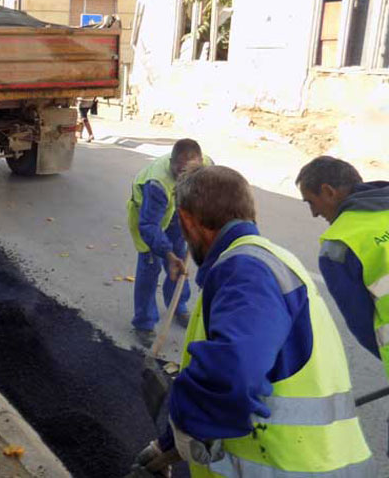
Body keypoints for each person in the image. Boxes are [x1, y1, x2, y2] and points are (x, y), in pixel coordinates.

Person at [134, 165, 373, 477]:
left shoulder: (245, 271)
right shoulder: (265, 260)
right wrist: (165, 446)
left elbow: (232, 373)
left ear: (186, 220)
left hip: (290, 468)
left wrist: (184, 423)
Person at [296, 156, 389, 376]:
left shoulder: (338, 246)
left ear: (328, 191)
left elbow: (362, 325)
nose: (314, 213)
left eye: (311, 201)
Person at [127, 139, 211, 347]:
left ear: (200, 162)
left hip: (178, 211)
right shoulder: (157, 183)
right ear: (171, 161)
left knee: (180, 261)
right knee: (150, 266)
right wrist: (167, 253)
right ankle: (144, 323)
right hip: (149, 216)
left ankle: (178, 306)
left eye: (188, 171)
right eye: (179, 169)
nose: (183, 175)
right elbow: (149, 226)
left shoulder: (207, 167)